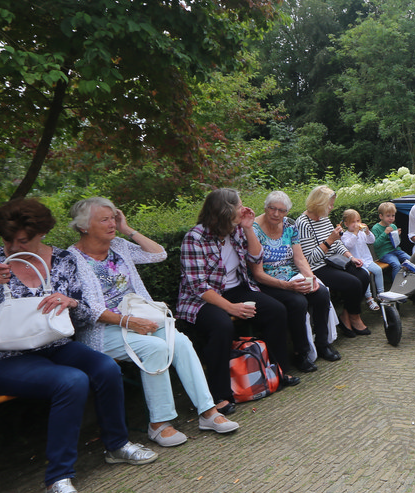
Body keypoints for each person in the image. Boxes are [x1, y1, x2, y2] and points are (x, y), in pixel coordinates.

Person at [0, 198, 156, 493]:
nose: (12, 247)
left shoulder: (62, 260)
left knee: (104, 367)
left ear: (41, 233)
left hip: (53, 344)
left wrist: (71, 303)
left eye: (22, 240)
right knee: (70, 381)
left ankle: (117, 445)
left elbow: (85, 315)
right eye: (7, 239)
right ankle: (58, 479)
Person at [68, 197, 238, 448]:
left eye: (113, 218)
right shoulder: (72, 259)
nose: (112, 224)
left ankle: (208, 411)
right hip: (103, 330)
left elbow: (159, 254)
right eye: (104, 220)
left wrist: (127, 229)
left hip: (140, 319)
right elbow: (88, 309)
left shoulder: (119, 246)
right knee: (156, 348)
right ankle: (159, 424)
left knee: (180, 342)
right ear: (83, 226)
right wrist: (129, 322)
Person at [177, 188, 301, 406]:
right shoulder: (195, 238)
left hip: (235, 289)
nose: (243, 209)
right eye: (239, 206)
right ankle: (220, 395)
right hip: (202, 299)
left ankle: (278, 371)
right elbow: (198, 286)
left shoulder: (235, 230)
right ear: (225, 210)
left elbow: (256, 256)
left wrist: (248, 228)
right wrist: (231, 307)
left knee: (276, 311)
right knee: (222, 326)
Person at [252, 190, 339, 368]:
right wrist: (287, 286)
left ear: (287, 212)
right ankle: (301, 353)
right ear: (265, 207)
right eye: (272, 208)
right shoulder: (254, 230)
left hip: (291, 275)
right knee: (298, 302)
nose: (276, 214)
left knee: (321, 293)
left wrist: (311, 278)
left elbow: (299, 258)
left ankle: (323, 344)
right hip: (267, 281)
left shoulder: (289, 225)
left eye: (282, 210)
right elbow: (257, 274)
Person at [295, 186, 372, 337]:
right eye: (329, 205)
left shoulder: (324, 218)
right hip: (317, 267)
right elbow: (310, 258)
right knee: (353, 283)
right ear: (319, 203)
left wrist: (351, 257)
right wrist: (329, 240)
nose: (332, 208)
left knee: (363, 275)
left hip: (334, 261)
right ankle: (354, 317)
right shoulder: (303, 223)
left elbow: (337, 243)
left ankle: (347, 315)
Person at [339, 209, 380, 309]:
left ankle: (381, 294)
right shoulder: (345, 236)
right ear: (346, 224)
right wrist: (355, 233)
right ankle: (369, 298)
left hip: (367, 260)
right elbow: (349, 245)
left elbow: (371, 240)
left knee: (378, 270)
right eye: (353, 222)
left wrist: (367, 232)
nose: (356, 224)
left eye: (358, 221)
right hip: (356, 263)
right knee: (365, 274)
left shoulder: (362, 233)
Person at [371, 202, 415, 283]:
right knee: (396, 265)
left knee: (411, 260)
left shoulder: (393, 226)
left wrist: (397, 236)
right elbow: (376, 245)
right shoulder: (376, 228)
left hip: (396, 250)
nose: (391, 218)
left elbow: (397, 243)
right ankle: (396, 284)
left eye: (393, 216)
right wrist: (385, 233)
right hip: (384, 253)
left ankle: (411, 281)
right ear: (381, 216)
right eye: (388, 216)